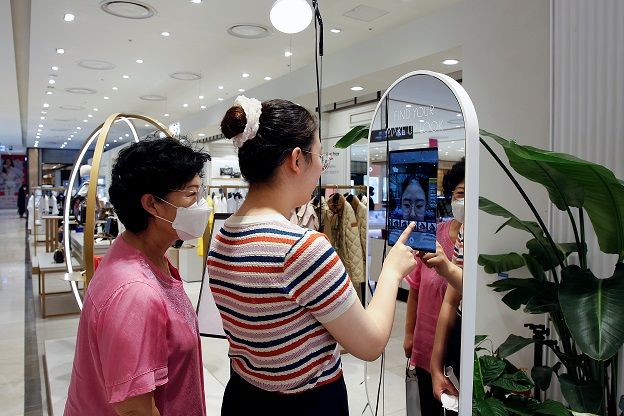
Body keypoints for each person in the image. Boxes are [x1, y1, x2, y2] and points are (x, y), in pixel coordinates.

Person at [207, 96, 417, 415]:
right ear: (296, 160)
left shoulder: (222, 237)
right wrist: (392, 272)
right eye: (320, 155)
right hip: (304, 404)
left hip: (244, 397)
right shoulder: (302, 249)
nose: (321, 165)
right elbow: (370, 343)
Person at [64, 138, 211, 416]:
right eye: (191, 195)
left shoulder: (148, 258)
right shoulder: (134, 291)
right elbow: (135, 409)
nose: (201, 206)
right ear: (152, 205)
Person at [403, 158, 464, 415]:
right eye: (460, 193)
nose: (464, 201)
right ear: (450, 195)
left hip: (458, 346)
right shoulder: (433, 234)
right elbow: (416, 288)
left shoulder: (475, 238)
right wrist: (409, 335)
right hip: (427, 340)